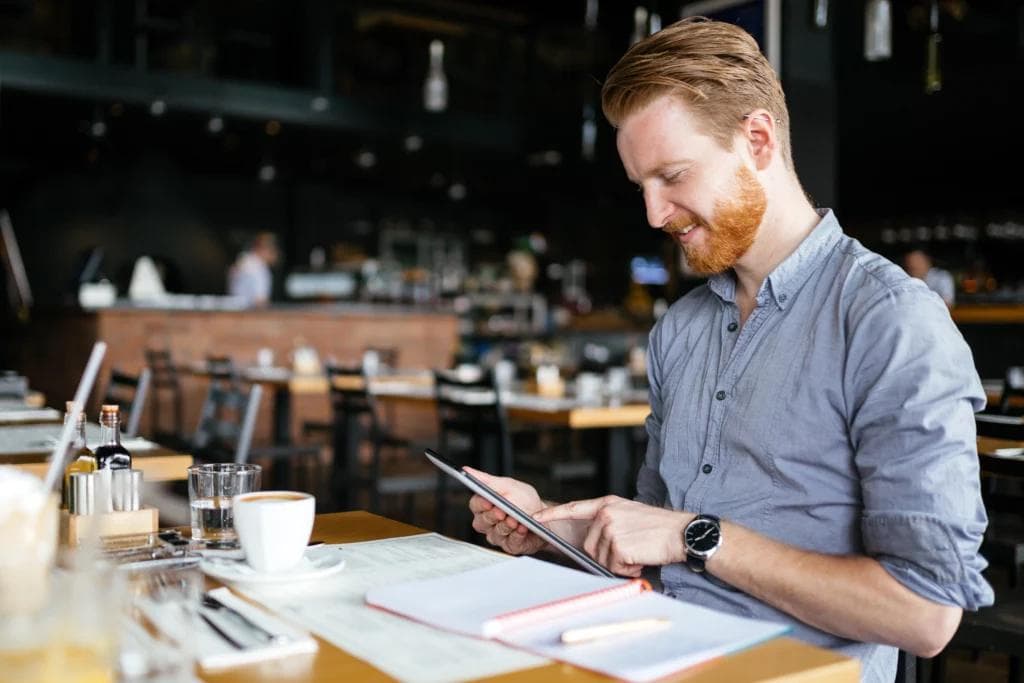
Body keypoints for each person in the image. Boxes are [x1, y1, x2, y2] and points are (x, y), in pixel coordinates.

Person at [466, 18, 990, 683]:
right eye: (642, 186)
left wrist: (698, 535)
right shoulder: (680, 328)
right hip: (652, 655)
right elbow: (656, 546)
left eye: (673, 175)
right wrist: (545, 524)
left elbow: (926, 612)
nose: (655, 213)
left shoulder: (889, 319)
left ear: (759, 140)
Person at [227, 232, 279, 307]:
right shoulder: (259, 268)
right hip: (248, 313)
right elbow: (260, 301)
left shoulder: (242, 260)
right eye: (272, 250)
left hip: (234, 310)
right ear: (263, 249)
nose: (275, 254)